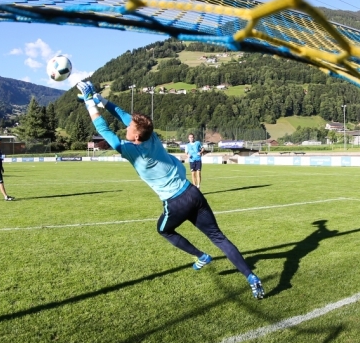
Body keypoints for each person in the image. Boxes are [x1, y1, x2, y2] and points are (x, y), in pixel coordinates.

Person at [78, 81, 264, 299]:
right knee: (219, 237)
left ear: (136, 136)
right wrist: (100, 99)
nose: (126, 127)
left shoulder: (130, 150)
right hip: (193, 193)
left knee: (163, 230)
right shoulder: (151, 135)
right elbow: (121, 114)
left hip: (175, 203)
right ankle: (251, 277)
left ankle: (201, 256)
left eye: (129, 129)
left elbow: (103, 129)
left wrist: (90, 102)